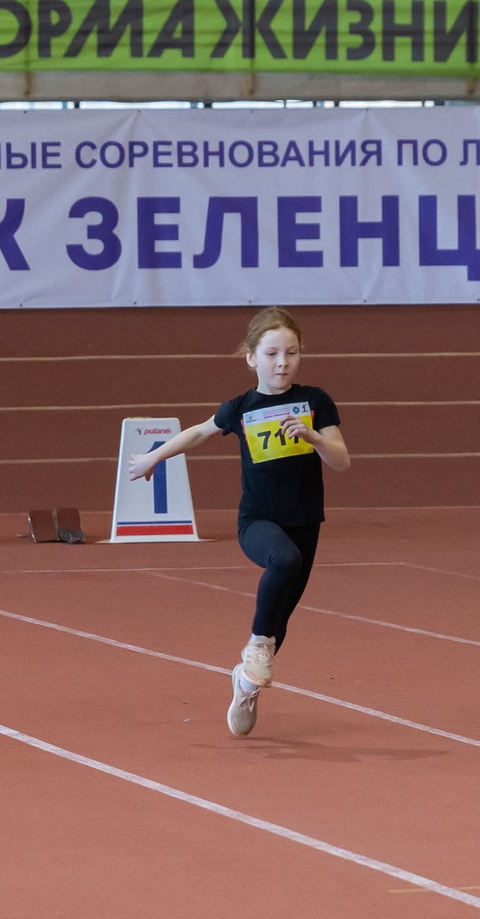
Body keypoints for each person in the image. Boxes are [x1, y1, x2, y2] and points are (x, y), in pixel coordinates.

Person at [128, 307, 349, 739]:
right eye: (271, 353)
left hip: (305, 521)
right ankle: (257, 650)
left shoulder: (315, 402)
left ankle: (247, 684)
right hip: (258, 522)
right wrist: (155, 455)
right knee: (283, 562)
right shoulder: (241, 407)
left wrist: (313, 436)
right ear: (252, 358)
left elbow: (341, 461)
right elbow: (198, 432)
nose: (282, 362)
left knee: (279, 618)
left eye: (291, 353)